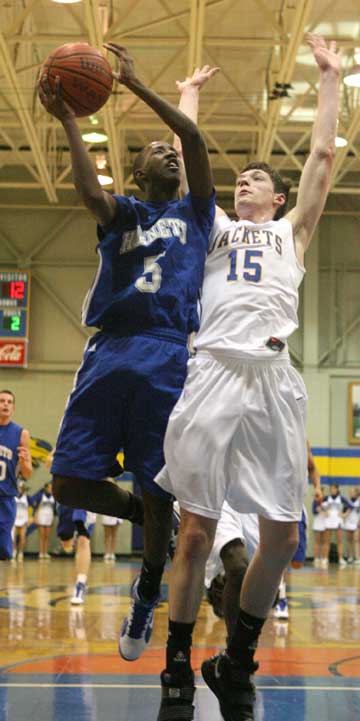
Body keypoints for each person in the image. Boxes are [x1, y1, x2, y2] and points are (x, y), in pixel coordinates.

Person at [153, 35, 341, 721]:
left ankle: (237, 655)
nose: (245, 182)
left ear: (280, 194)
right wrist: (186, 97)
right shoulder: (217, 226)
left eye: (258, 177)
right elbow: (183, 157)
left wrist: (329, 79)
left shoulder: (294, 230)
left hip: (273, 378)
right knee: (197, 531)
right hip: (213, 370)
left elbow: (323, 156)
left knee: (285, 536)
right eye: (242, 178)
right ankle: (176, 661)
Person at [38, 49, 215, 660]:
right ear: (136, 174)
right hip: (110, 352)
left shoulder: (195, 213)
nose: (167, 153)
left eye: (170, 154)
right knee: (68, 483)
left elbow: (190, 134)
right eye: (153, 153)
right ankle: (143, 511)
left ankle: (146, 591)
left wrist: (136, 84)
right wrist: (66, 119)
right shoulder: (123, 214)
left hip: (168, 357)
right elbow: (89, 192)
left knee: (160, 489)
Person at [0, 390, 32, 560]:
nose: (5, 404)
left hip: (6, 497)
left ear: (13, 408)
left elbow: (27, 474)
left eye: (9, 402)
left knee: (5, 551)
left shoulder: (21, 434)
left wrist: (25, 461)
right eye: (2, 401)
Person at [70, 509, 97, 605]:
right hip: (65, 501)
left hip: (85, 503)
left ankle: (80, 584)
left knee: (83, 538)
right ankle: (81, 579)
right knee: (68, 543)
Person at [322, 483, 349, 568]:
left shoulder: (341, 498)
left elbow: (351, 506)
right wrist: (324, 512)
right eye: (331, 489)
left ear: (337, 489)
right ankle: (325, 558)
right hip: (328, 520)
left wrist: (344, 514)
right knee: (327, 541)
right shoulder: (326, 498)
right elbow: (317, 504)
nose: (332, 490)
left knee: (339, 541)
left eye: (333, 489)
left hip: (338, 520)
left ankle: (340, 559)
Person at [32, 481, 56, 559]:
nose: (50, 489)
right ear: (45, 488)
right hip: (41, 516)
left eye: (51, 488)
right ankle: (41, 552)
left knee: (47, 536)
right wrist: (35, 516)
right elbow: (35, 507)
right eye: (49, 487)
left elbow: (54, 508)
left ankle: (45, 552)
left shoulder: (54, 497)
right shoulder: (41, 496)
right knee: (42, 536)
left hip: (49, 517)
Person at [13, 480, 30, 561]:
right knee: (13, 537)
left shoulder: (27, 497)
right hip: (14, 519)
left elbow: (31, 508)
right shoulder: (13, 496)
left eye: (21, 487)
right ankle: (14, 551)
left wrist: (30, 518)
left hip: (23, 519)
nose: (20, 489)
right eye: (19, 487)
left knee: (22, 537)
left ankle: (21, 553)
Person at [342, 487, 360, 564]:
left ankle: (357, 557)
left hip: (356, 522)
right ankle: (350, 557)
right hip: (348, 522)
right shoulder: (347, 502)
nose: (351, 494)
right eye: (350, 492)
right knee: (349, 540)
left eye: (352, 492)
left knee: (356, 540)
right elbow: (343, 512)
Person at [312, 486, 327, 567]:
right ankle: (316, 558)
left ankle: (324, 558)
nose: (322, 494)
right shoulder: (315, 501)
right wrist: (320, 509)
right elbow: (314, 511)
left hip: (325, 522)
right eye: (321, 492)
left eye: (323, 492)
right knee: (317, 541)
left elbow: (328, 512)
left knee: (324, 541)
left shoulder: (326, 501)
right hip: (317, 522)